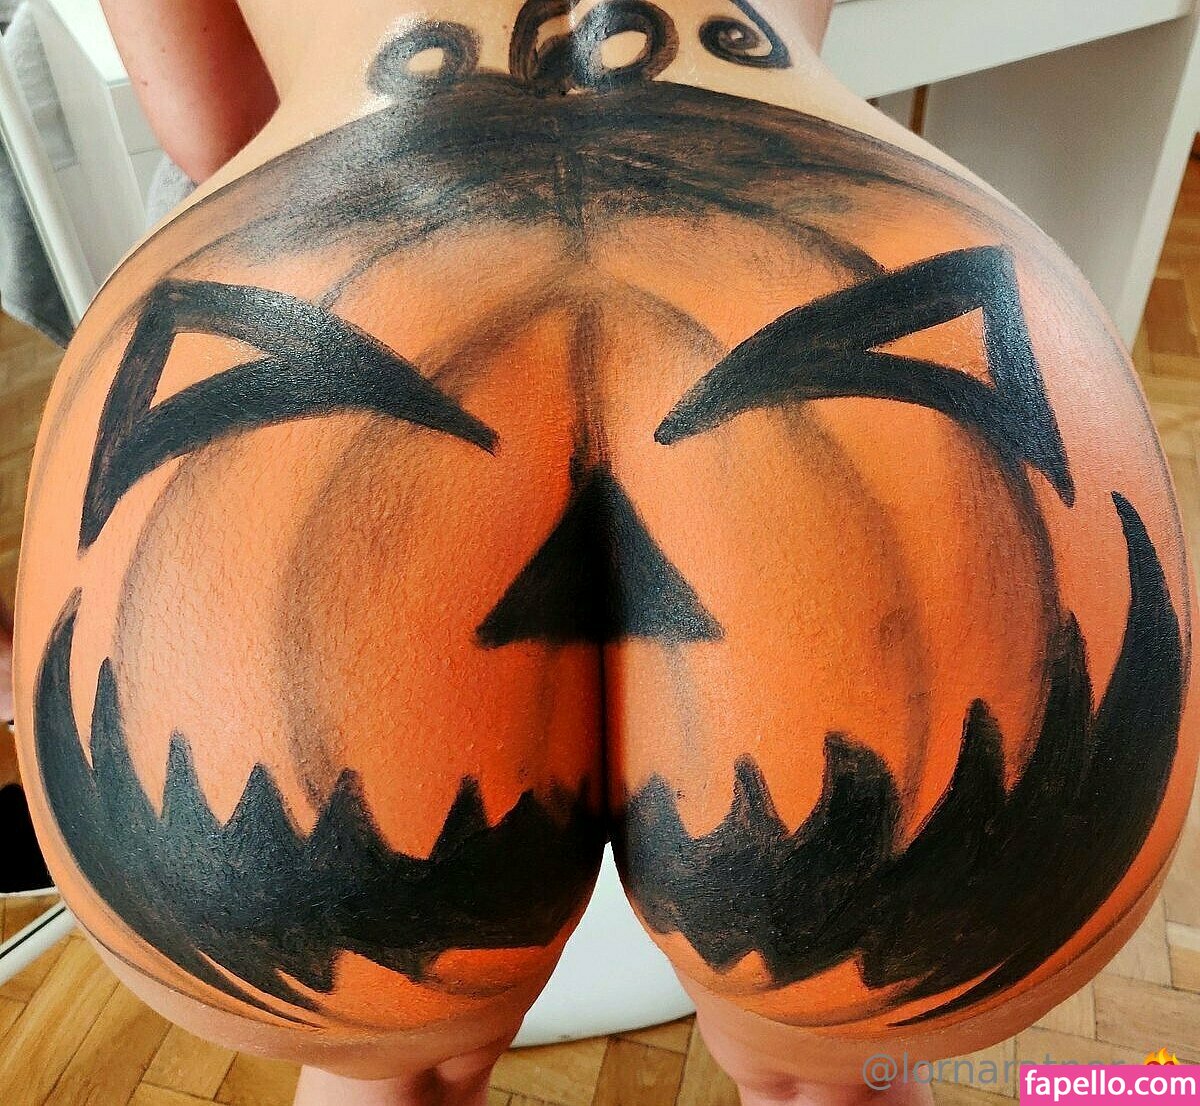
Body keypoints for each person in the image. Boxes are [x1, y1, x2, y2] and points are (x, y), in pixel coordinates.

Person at [10, 2, 1198, 1104]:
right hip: (907, 288)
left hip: (313, 313)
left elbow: (211, 121)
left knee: (399, 1069)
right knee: (825, 1073)